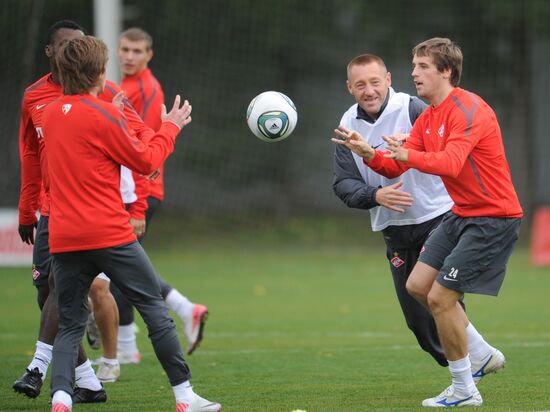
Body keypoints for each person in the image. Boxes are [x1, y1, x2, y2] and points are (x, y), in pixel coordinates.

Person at [334, 38, 522, 408]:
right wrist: (369, 152)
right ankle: (481, 353)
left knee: (439, 296)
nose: (414, 73)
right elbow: (394, 165)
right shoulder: (432, 114)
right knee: (418, 285)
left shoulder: (468, 109)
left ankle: (464, 389)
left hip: (493, 216)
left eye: (422, 66)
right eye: (414, 65)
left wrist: (409, 152)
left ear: (446, 71)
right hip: (463, 213)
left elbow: (450, 163)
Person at [43, 35, 221, 412]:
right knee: (154, 308)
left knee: (71, 322)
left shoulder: (50, 115)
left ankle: (61, 397)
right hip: (108, 231)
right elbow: (146, 160)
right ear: (99, 73)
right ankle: (185, 397)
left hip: (64, 234)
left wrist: (115, 115)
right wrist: (170, 126)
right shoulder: (105, 113)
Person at [14, 20, 113, 403]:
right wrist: (26, 209)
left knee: (60, 287)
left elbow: (135, 144)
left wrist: (134, 203)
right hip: (48, 210)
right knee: (47, 294)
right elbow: (30, 155)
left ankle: (39, 367)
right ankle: (86, 378)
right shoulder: (35, 96)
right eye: (66, 45)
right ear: (50, 52)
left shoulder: (103, 92)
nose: (73, 50)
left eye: (80, 44)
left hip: (87, 212)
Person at [96, 27, 208, 364]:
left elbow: (141, 147)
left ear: (149, 55)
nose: (130, 57)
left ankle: (130, 346)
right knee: (123, 266)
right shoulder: (123, 86)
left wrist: (139, 204)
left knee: (121, 268)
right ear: (117, 52)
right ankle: (181, 311)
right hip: (129, 189)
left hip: (139, 191)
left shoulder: (143, 89)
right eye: (125, 50)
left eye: (137, 51)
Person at [333, 53, 452, 366]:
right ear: (349, 88)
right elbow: (343, 183)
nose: (369, 90)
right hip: (394, 229)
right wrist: (376, 195)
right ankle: (466, 363)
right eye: (360, 85)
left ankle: (466, 374)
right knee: (418, 321)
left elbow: (446, 147)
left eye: (375, 82)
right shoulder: (347, 124)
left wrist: (412, 144)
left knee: (440, 298)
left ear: (388, 80)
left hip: (436, 218)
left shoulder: (412, 107)